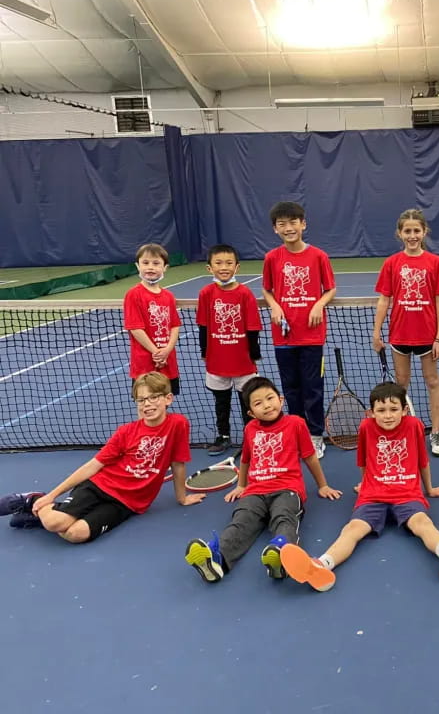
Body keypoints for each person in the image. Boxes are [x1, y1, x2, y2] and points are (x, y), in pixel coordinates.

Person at [276, 382, 439, 590]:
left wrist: (429, 489)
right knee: (352, 530)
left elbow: (422, 461)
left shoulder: (414, 426)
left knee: (422, 523)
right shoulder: (366, 427)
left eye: (394, 409)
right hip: (373, 496)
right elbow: (363, 461)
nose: (388, 415)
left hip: (407, 494)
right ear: (371, 413)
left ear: (405, 410)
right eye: (381, 410)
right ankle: (322, 565)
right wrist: (366, 484)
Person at [0, 373, 203, 541]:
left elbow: (178, 463)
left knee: (75, 534)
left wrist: (182, 498)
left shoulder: (179, 424)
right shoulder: (126, 432)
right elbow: (93, 466)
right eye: (141, 400)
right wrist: (51, 495)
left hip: (127, 503)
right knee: (55, 523)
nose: (147, 404)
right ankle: (34, 499)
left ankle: (41, 515)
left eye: (153, 397)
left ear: (168, 398)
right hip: (100, 486)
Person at [184, 377, 342, 583]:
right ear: (251, 412)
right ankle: (217, 561)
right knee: (240, 522)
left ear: (281, 399)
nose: (267, 405)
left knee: (285, 518)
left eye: (270, 398)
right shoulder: (250, 429)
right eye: (258, 403)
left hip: (287, 489)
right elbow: (246, 459)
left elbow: (310, 457)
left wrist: (323, 485)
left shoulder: (296, 423)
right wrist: (241, 485)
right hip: (255, 491)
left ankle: (281, 555)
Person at [372, 209, 439, 457]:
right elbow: (384, 300)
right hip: (400, 335)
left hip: (427, 336)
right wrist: (376, 331)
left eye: (417, 230)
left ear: (424, 232)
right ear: (399, 233)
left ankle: (436, 432)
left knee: (432, 381)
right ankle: (402, 430)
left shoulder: (436, 263)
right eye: (407, 231)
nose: (412, 235)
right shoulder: (391, 263)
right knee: (401, 385)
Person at [262, 201, 336, 458]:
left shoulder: (319, 256)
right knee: (291, 389)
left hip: (312, 337)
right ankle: (297, 433)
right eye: (282, 224)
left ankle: (315, 435)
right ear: (275, 229)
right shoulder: (272, 258)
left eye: (293, 222)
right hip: (283, 337)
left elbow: (330, 289)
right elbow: (267, 290)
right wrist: (274, 305)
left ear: (303, 224)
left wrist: (319, 304)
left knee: (313, 389)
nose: (288, 228)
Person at [196, 244, 262, 455]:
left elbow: (253, 327)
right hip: (217, 360)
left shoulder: (245, 294)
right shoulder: (206, 293)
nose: (224, 267)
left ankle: (249, 436)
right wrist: (204, 351)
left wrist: (254, 354)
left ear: (237, 267)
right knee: (221, 401)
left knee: (247, 401)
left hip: (243, 360)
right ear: (209, 268)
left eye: (228, 263)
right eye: (218, 263)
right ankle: (223, 436)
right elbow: (203, 326)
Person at [123, 243, 181, 394]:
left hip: (168, 362)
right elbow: (135, 328)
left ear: (165, 267)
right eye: (145, 263)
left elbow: (175, 326)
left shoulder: (169, 296)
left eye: (156, 263)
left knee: (165, 400)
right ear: (138, 266)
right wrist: (156, 352)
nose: (150, 267)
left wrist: (166, 351)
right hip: (144, 364)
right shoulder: (133, 294)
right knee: (145, 401)